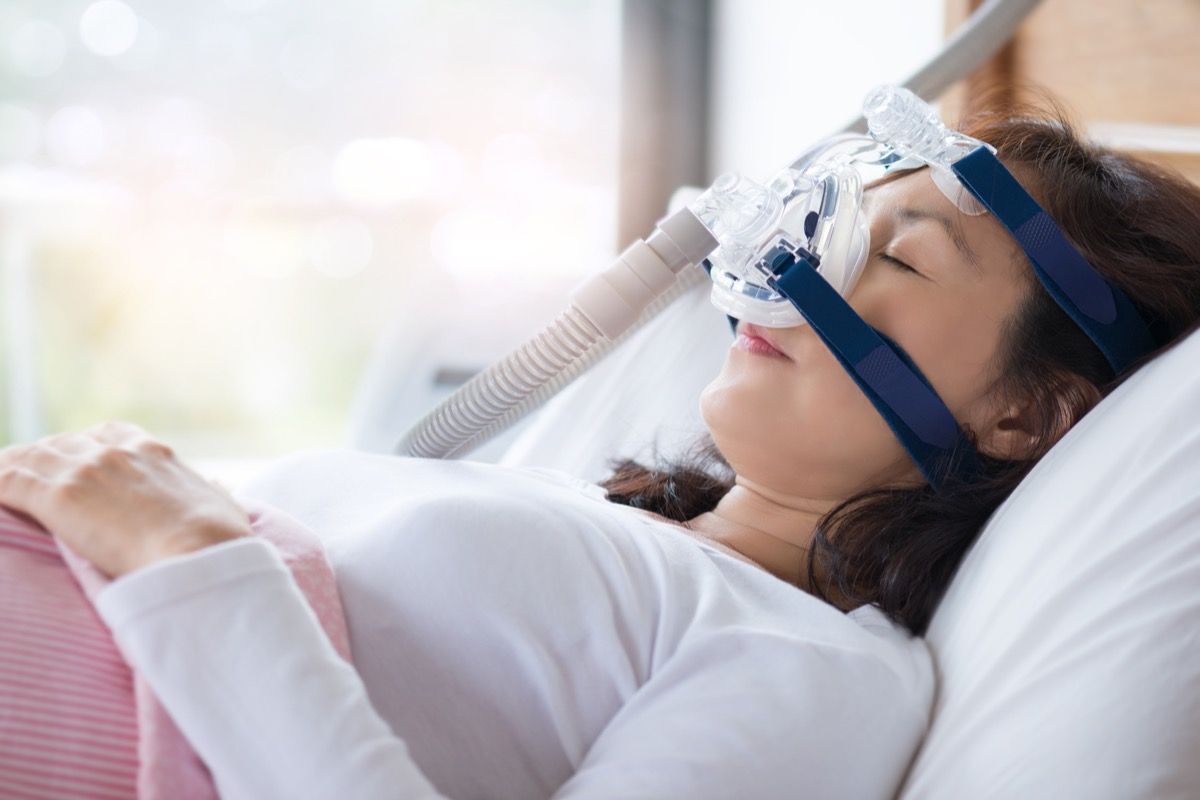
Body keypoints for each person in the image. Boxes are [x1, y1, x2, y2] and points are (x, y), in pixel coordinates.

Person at [2, 101, 1199, 799]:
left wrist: (192, 552)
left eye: (897, 256)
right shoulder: (598, 517)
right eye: (829, 223)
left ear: (1028, 413)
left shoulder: (819, 671)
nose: (793, 270)